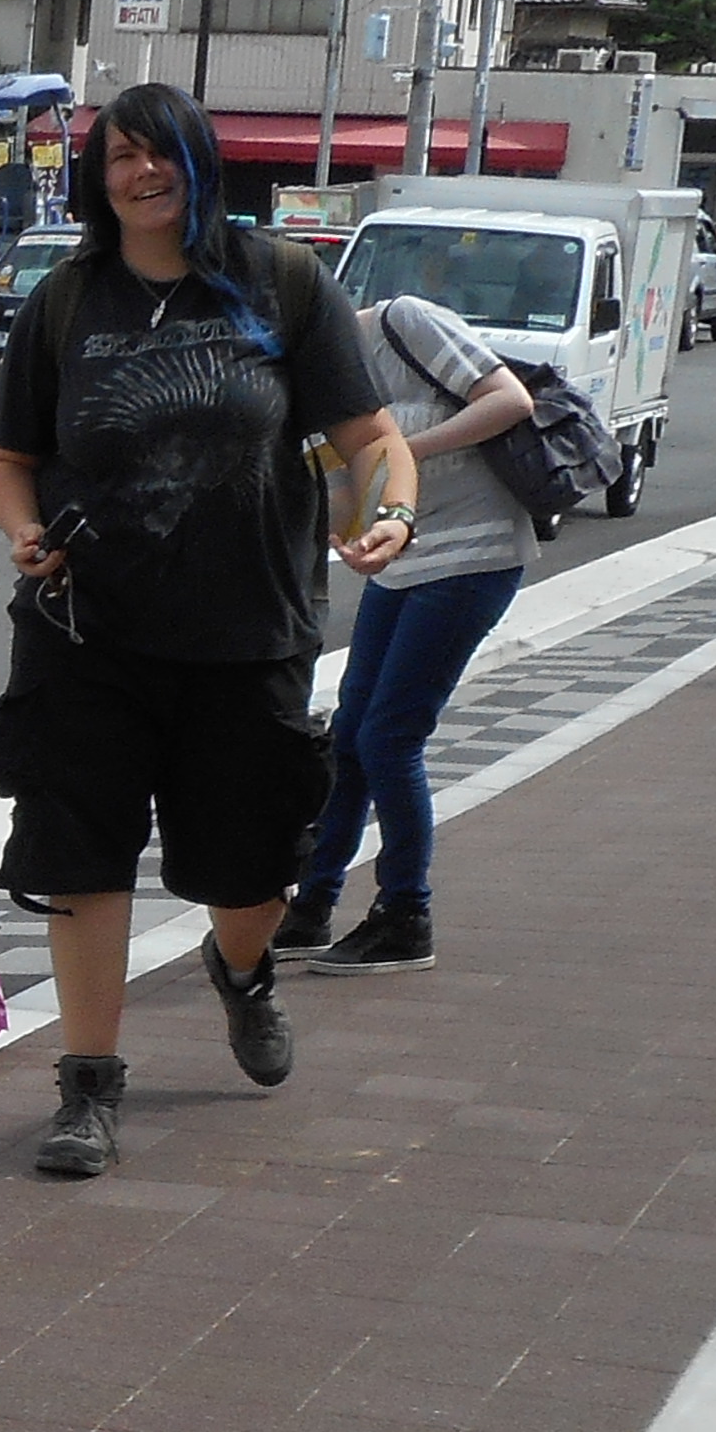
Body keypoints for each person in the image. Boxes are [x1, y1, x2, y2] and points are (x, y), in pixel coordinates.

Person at [0, 79, 415, 1179]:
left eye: (159, 151)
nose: (141, 173)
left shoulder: (282, 282)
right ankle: (87, 1088)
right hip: (86, 632)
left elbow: (371, 437)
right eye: (119, 156)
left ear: (200, 161)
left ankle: (243, 970)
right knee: (81, 859)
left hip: (248, 631)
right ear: (99, 178)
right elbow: (10, 461)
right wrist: (23, 532)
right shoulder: (66, 300)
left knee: (249, 870)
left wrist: (392, 513)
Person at [280, 282, 539, 973]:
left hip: (476, 554)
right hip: (403, 565)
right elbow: (343, 497)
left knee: (390, 737)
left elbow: (510, 401)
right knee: (350, 734)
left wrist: (399, 453)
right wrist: (345, 529)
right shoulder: (313, 390)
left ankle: (405, 915)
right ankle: (311, 907)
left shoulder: (402, 325)